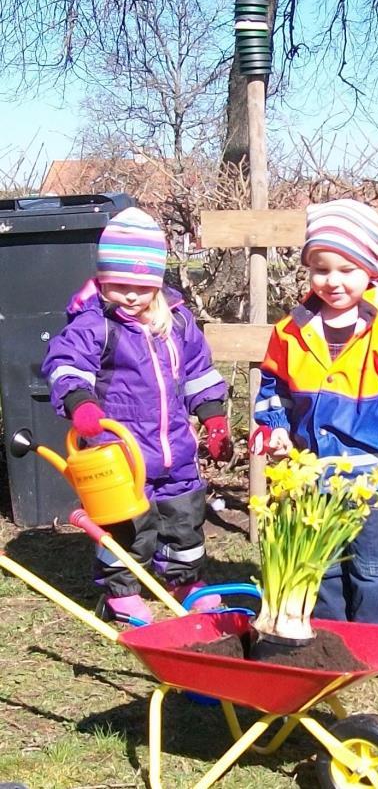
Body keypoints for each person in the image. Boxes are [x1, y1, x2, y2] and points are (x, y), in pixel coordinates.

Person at [252, 198, 378, 625]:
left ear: (370, 272)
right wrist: (276, 426)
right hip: (311, 473)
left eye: (347, 270)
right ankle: (330, 634)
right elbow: (275, 384)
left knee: (371, 567)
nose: (333, 281)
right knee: (321, 562)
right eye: (321, 269)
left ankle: (372, 639)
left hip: (372, 474)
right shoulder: (290, 330)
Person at [42, 207, 232, 623]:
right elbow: (66, 366)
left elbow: (199, 373)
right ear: (103, 279)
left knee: (184, 517)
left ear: (157, 284)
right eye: (120, 285)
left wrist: (213, 418)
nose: (130, 295)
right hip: (121, 451)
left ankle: (185, 580)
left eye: (141, 286)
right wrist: (82, 404)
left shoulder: (177, 322)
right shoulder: (96, 325)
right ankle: (122, 591)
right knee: (126, 524)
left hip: (175, 447)